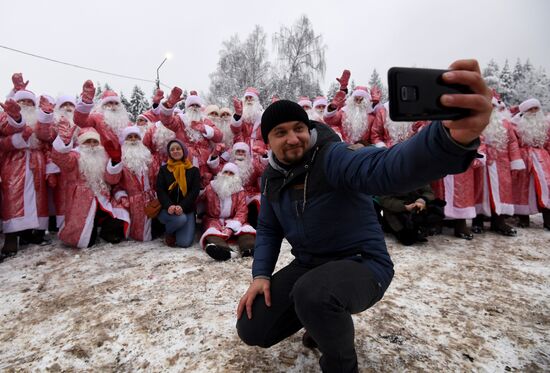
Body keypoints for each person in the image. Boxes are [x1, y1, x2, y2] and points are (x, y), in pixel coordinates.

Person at [236, 59, 493, 372]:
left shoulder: (333, 157)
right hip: (310, 265)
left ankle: (341, 362)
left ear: (309, 128)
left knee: (314, 294)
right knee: (254, 327)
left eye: (299, 128)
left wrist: (447, 139)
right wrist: (260, 275)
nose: (292, 138)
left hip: (362, 263)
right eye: (281, 132)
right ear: (268, 141)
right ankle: (322, 322)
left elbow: (382, 168)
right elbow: (268, 230)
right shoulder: (272, 179)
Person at [50, 124, 130, 248]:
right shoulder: (74, 156)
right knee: (86, 239)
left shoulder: (103, 156)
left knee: (120, 214)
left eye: (94, 141)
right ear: (81, 143)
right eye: (88, 141)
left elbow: (112, 180)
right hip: (81, 199)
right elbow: (61, 159)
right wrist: (64, 143)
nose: (92, 144)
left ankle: (106, 232)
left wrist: (115, 162)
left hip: (102, 197)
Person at [199, 162, 256, 260]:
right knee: (212, 232)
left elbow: (242, 211)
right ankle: (223, 251)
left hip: (233, 219)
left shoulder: (239, 191)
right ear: (221, 173)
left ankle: (249, 248)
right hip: (213, 219)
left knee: (246, 230)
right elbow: (199, 200)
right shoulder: (211, 187)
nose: (228, 175)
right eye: (226, 172)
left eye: (231, 173)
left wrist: (233, 225)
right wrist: (202, 186)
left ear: (236, 176)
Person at [512, 98, 550, 229]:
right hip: (524, 159)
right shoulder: (516, 125)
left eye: (536, 108)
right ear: (524, 111)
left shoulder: (546, 125)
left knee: (546, 187)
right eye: (530, 109)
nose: (534, 111)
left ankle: (548, 218)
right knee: (523, 187)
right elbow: (514, 144)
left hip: (543, 159)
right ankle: (523, 217)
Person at [114, 126, 158, 242]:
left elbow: (157, 177)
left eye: (136, 137)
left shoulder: (149, 158)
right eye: (130, 137)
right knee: (140, 235)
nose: (133, 139)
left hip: (152, 198)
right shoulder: (120, 160)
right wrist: (121, 196)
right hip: (132, 199)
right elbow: (115, 183)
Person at [156, 139, 200, 247]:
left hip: (187, 209)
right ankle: (169, 232)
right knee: (180, 219)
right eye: (172, 150)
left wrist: (182, 206)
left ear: (183, 151)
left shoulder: (193, 170)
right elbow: (160, 191)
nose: (175, 151)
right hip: (168, 211)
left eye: (178, 149)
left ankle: (177, 229)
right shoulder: (163, 170)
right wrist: (169, 205)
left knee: (183, 243)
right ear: (169, 153)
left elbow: (194, 192)